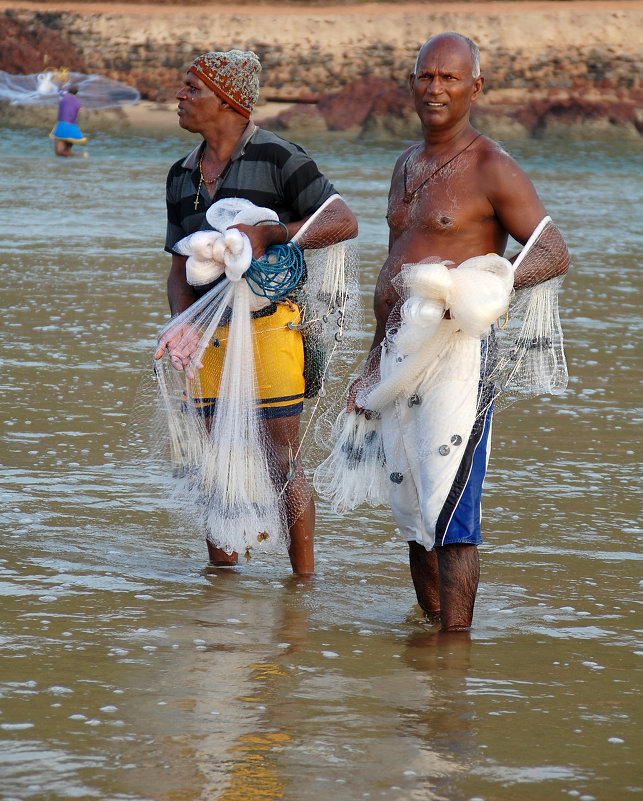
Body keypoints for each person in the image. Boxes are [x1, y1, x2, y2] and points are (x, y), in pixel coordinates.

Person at [347, 33, 569, 631]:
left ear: (475, 86)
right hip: (398, 352)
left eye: (449, 78)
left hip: (458, 357)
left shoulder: (492, 165)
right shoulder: (406, 164)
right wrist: (372, 359)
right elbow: (394, 260)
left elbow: (551, 250)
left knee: (453, 511)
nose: (435, 88)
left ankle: (456, 652)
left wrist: (483, 290)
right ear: (412, 84)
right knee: (414, 510)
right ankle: (433, 654)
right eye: (425, 77)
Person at [154, 50, 358, 575]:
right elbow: (180, 268)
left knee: (281, 461)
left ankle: (302, 583)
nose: (179, 96)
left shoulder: (278, 156)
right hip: (207, 339)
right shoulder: (181, 175)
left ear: (227, 101)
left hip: (271, 329)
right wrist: (183, 327)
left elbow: (341, 219)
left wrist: (269, 233)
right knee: (210, 464)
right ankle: (222, 581)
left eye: (191, 88)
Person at [50, 84, 88, 157]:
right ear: (76, 93)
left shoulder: (64, 96)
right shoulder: (78, 102)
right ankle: (68, 166)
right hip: (73, 128)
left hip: (63, 126)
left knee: (58, 152)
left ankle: (80, 156)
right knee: (67, 151)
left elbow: (59, 91)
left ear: (68, 91)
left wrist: (61, 81)